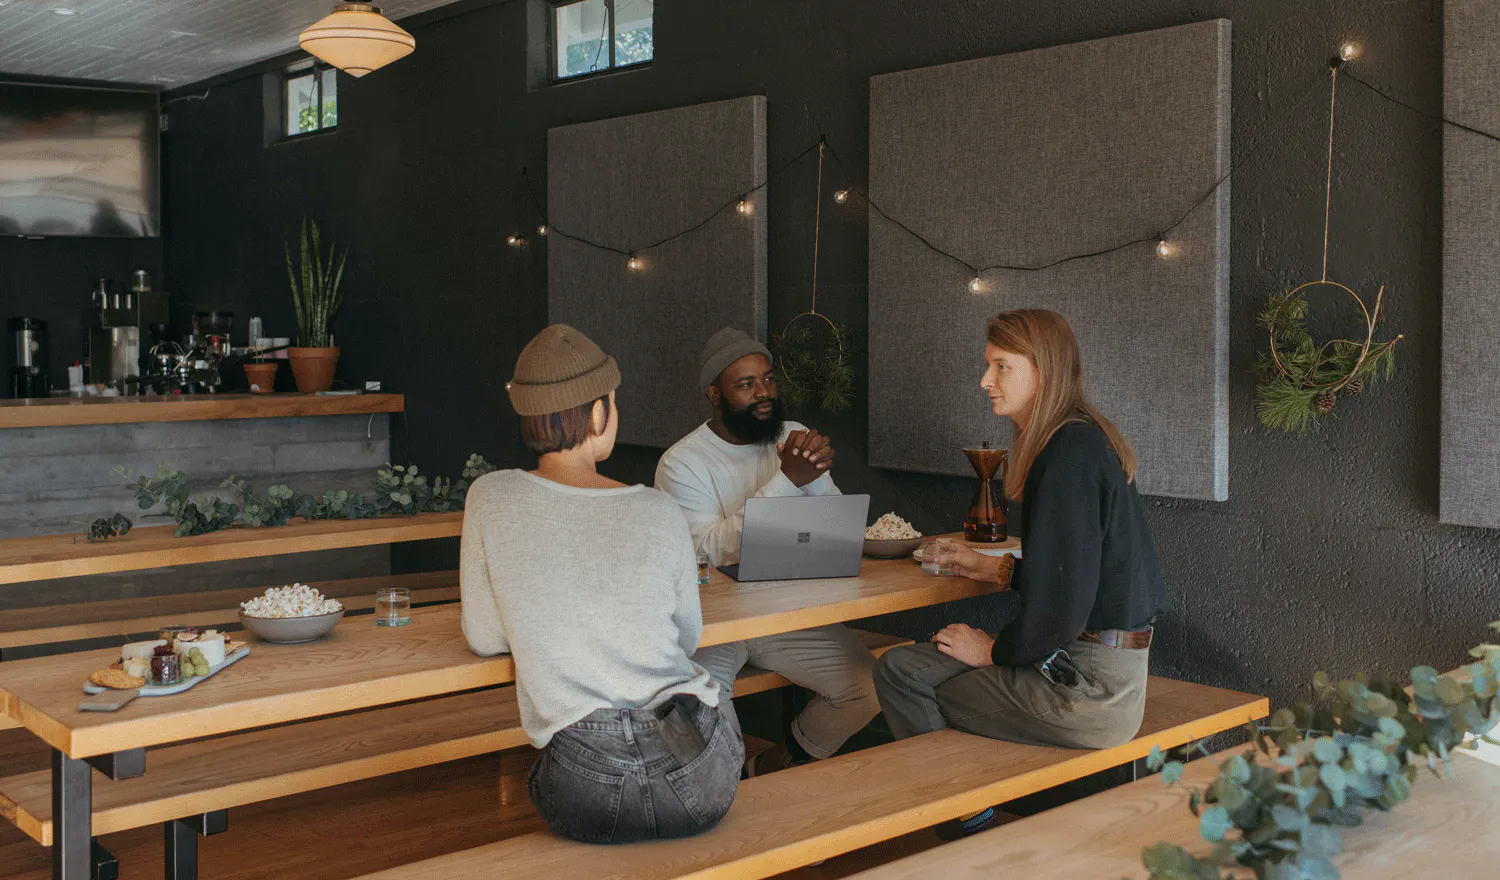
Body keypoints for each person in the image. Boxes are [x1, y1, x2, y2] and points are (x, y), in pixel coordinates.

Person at [873, 309, 1166, 835]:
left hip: (1087, 693)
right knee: (917, 667)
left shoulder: (1065, 457)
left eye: (1001, 367)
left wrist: (991, 651)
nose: (985, 382)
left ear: (1043, 372)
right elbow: (1082, 574)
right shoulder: (1085, 438)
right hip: (1111, 675)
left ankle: (970, 831)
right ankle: (975, 810)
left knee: (903, 673)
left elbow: (1062, 609)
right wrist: (998, 570)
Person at [460, 324, 742, 844]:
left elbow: (483, 637)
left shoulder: (489, 498)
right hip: (701, 774)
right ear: (596, 412)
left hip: (584, 788)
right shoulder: (658, 510)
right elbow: (687, 637)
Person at [656, 326, 880, 772]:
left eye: (769, 380)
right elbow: (707, 555)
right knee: (703, 699)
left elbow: (833, 523)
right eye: (746, 385)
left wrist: (810, 479)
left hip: (785, 611)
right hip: (715, 622)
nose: (764, 393)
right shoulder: (682, 463)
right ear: (714, 394)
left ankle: (776, 764)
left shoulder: (792, 435)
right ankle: (725, 789)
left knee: (869, 686)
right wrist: (786, 480)